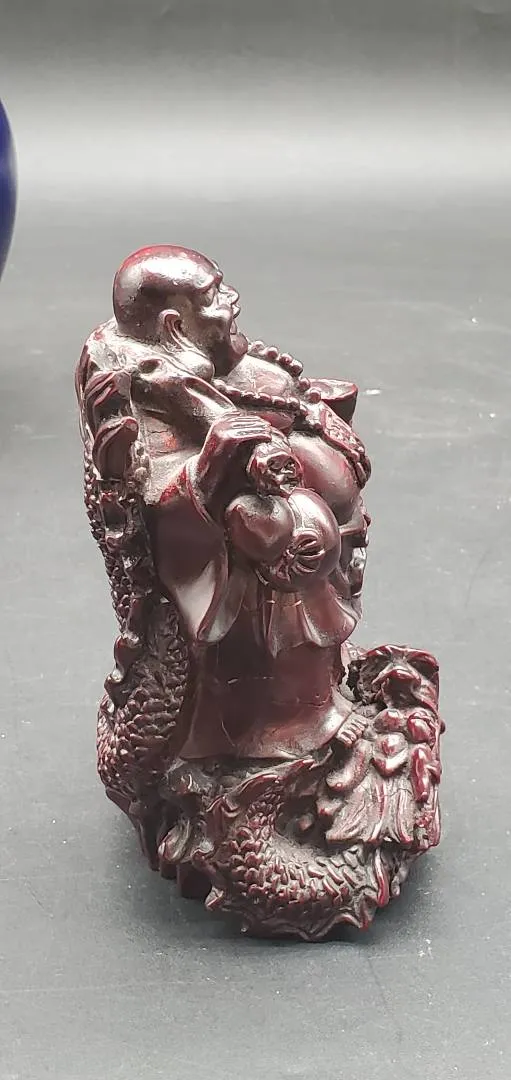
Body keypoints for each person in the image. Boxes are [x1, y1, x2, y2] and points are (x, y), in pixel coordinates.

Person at [78, 245, 371, 761]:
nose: (232, 299)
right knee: (260, 644)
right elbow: (150, 496)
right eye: (214, 296)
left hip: (299, 546)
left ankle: (315, 709)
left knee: (307, 628)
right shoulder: (134, 385)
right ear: (174, 326)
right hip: (240, 560)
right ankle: (257, 743)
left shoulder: (217, 369)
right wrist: (211, 471)